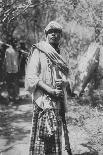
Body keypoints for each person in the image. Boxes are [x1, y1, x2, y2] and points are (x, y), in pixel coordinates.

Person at [25, 21, 72, 155]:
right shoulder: (38, 51)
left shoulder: (62, 54)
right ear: (46, 34)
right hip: (42, 102)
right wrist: (50, 90)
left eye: (57, 32)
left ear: (60, 35)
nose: (54, 35)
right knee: (42, 139)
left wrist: (64, 83)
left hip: (58, 102)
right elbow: (31, 76)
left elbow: (70, 77)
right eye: (51, 32)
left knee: (55, 138)